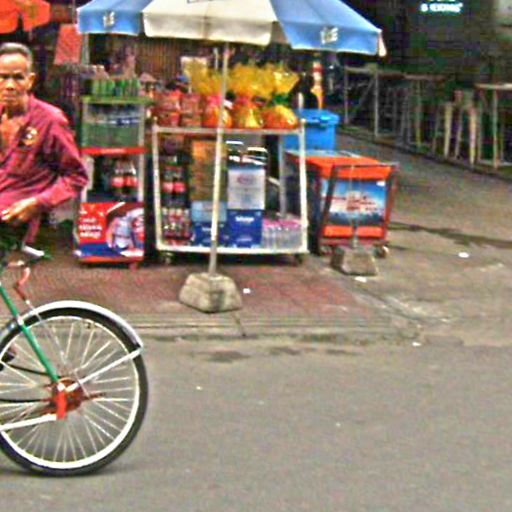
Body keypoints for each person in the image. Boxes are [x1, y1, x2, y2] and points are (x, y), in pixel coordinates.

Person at [0, 42, 87, 244]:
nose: (10, 85)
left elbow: (76, 177)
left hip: (14, 229)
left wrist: (38, 203)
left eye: (18, 77)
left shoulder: (50, 121)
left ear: (30, 81)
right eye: (3, 77)